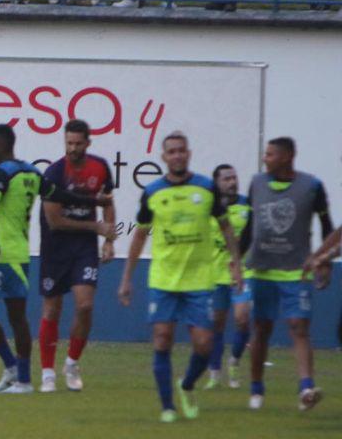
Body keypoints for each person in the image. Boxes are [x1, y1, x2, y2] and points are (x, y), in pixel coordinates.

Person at [0, 124, 107, 395]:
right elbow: (59, 195)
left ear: (3, 144)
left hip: (9, 256)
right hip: (1, 255)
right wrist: (93, 201)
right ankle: (11, 368)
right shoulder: (32, 172)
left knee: (17, 318)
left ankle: (23, 380)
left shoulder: (1, 172)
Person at [118, 132, 243, 423]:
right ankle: (168, 407)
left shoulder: (206, 188)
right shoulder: (152, 192)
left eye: (180, 151)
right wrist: (126, 278)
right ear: (163, 157)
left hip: (199, 279)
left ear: (188, 153)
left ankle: (186, 385)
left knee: (204, 344)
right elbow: (139, 236)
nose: (176, 155)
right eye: (171, 151)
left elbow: (226, 228)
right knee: (162, 340)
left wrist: (236, 265)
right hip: (164, 279)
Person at [246, 138, 332, 412]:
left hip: (298, 270)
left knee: (299, 326)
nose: (265, 158)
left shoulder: (312, 187)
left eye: (270, 154)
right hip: (263, 268)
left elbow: (327, 225)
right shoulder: (257, 184)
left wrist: (324, 260)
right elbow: (249, 226)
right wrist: (236, 260)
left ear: (287, 157)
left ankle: (306, 387)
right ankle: (257, 387)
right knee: (261, 328)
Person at [36, 120, 116, 393]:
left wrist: (108, 241)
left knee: (84, 306)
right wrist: (97, 227)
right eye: (68, 143)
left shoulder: (100, 167)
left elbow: (107, 202)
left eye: (78, 143)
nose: (72, 148)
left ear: (88, 143)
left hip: (83, 248)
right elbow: (55, 221)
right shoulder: (55, 173)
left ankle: (71, 363)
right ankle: (47, 373)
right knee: (52, 309)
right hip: (55, 247)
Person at [207, 163, 251, 389]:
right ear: (216, 183)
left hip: (243, 272)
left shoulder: (247, 205)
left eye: (234, 178)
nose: (232, 182)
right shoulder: (209, 208)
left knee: (242, 319)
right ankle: (214, 372)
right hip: (216, 273)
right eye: (226, 179)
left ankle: (234, 359)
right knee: (217, 323)